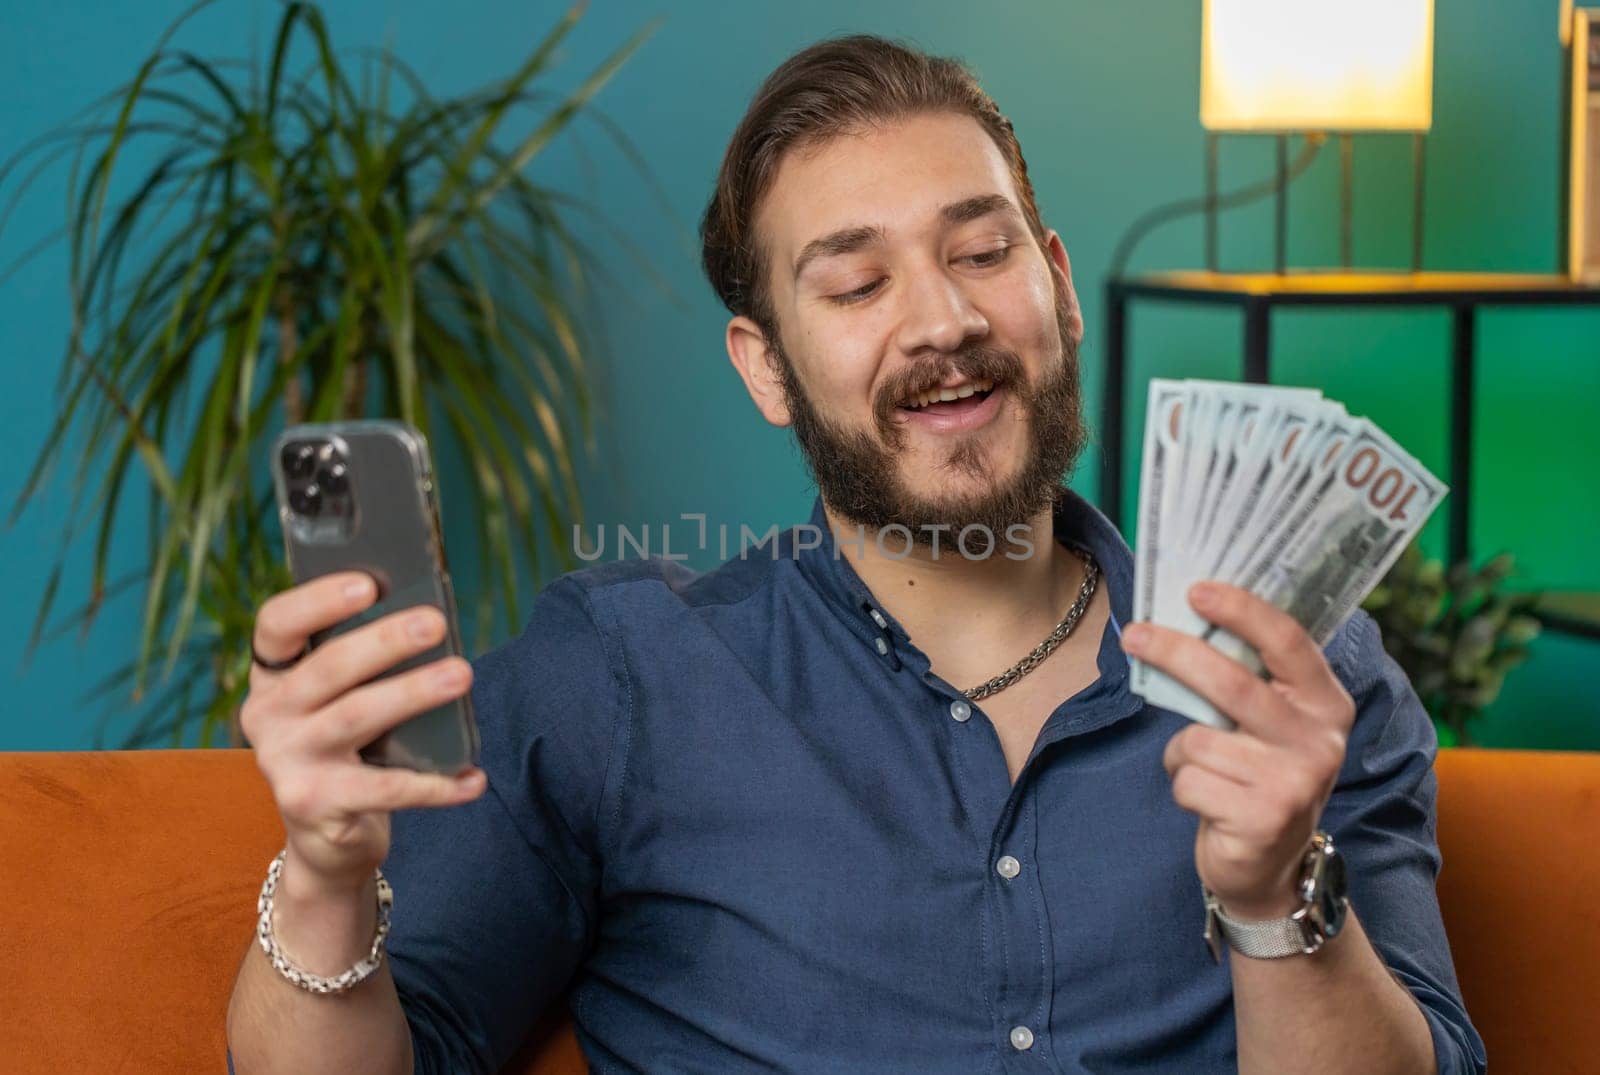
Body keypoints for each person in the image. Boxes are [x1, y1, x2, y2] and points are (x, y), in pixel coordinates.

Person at [225, 34, 1486, 1075]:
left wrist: (1275, 901)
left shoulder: (1295, 678)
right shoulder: (618, 678)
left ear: (1052, 285)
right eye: (854, 284)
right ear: (766, 366)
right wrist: (328, 874)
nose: (943, 318)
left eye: (982, 252)